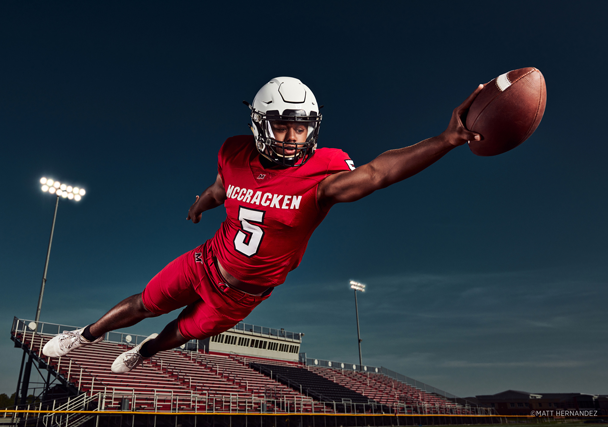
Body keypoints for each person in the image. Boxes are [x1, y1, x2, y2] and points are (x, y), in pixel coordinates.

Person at [43, 77, 482, 373]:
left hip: (241, 294)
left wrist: (445, 139)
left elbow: (377, 173)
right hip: (205, 260)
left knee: (175, 332)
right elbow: (222, 187)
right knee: (144, 302)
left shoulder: (322, 175)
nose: (293, 137)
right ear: (259, 123)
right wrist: (201, 205)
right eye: (281, 126)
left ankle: (142, 351)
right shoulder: (235, 154)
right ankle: (83, 335)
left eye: (301, 128)